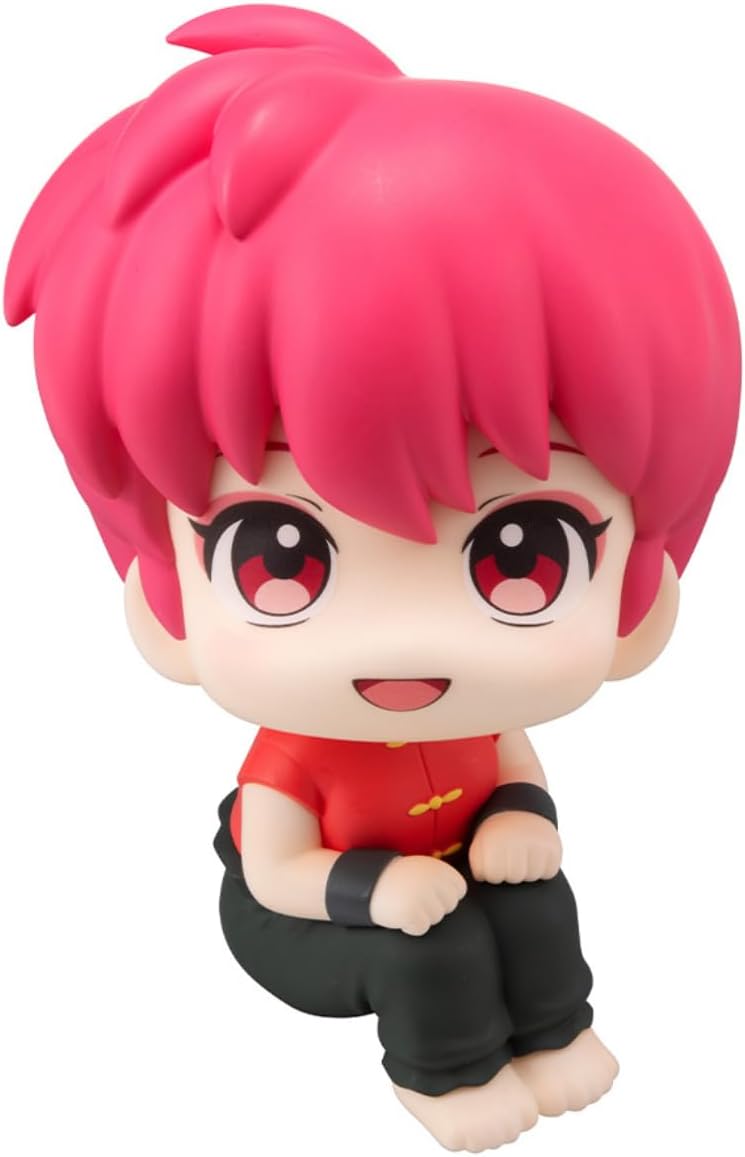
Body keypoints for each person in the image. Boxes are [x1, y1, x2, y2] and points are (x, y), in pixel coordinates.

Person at [5, 6, 740, 1152]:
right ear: (169, 597)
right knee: (434, 950)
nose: (402, 637)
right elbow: (275, 869)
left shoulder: (481, 728)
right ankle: (446, 1074)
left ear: (635, 590)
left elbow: (514, 775)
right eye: (276, 552)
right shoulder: (293, 761)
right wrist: (372, 892)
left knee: (533, 901)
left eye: (523, 549)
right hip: (312, 917)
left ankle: (553, 1030)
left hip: (445, 875)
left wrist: (521, 817)